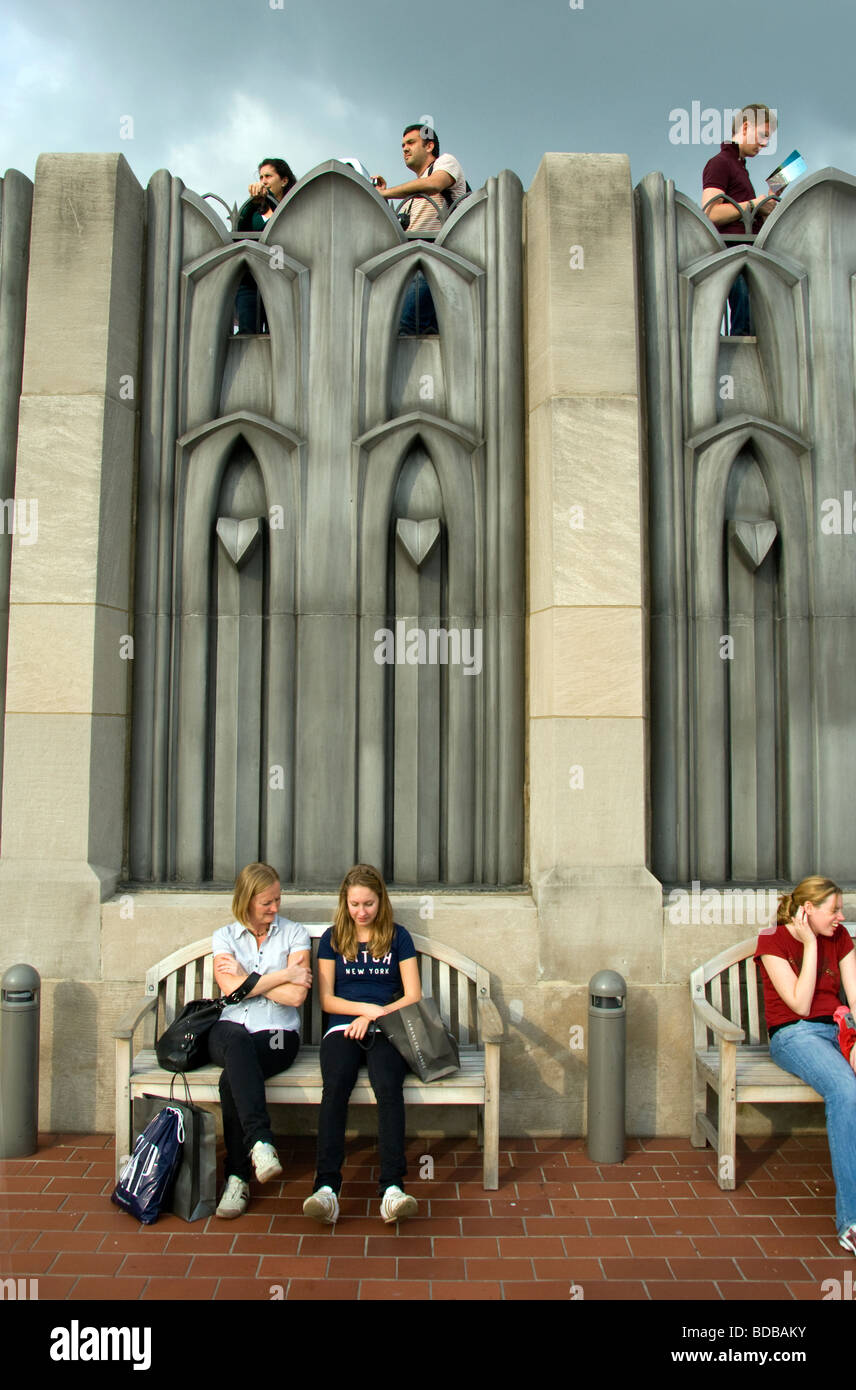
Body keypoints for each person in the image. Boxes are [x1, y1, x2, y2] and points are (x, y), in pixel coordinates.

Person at [303, 864, 422, 1224]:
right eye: (355, 904)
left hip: (387, 1028)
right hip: (342, 1029)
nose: (361, 912)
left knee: (388, 1086)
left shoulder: (398, 937)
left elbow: (413, 995)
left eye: (368, 903)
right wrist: (361, 1011)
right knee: (336, 1085)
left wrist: (374, 1015)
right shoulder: (332, 938)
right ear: (345, 902)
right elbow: (327, 1000)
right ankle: (326, 1189)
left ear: (380, 901)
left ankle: (392, 1189)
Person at [755, 876, 856, 1253]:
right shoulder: (772, 941)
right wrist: (811, 945)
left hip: (838, 1030)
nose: (841, 917)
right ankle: (851, 1221)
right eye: (834, 910)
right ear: (807, 911)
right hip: (796, 1036)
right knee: (845, 1091)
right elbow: (798, 1004)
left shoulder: (841, 937)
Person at [209, 861, 311, 1218]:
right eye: (267, 902)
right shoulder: (223, 937)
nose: (275, 908)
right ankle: (261, 1143)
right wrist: (281, 974)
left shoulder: (295, 934)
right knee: (236, 1042)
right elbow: (230, 993)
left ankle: (237, 1177)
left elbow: (297, 997)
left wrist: (247, 981)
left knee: (229, 1079)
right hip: (227, 1029)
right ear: (247, 900)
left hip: (278, 1035)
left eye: (278, 900)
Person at [373, 124, 468, 335]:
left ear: (429, 145)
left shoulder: (445, 162)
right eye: (402, 145)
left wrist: (387, 193)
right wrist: (384, 197)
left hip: (434, 260)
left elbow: (435, 184)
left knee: (404, 329)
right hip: (411, 267)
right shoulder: (409, 198)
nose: (405, 149)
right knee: (407, 329)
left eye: (411, 143)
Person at [702, 104, 778, 336]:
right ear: (746, 127)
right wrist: (755, 204)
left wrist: (762, 208)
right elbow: (711, 212)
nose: (764, 143)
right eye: (763, 135)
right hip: (733, 255)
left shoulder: (739, 167)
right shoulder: (720, 163)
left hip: (746, 254)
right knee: (742, 330)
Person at [235, 157, 297, 334]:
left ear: (284, 180)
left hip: (281, 279)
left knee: (279, 333)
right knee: (247, 332)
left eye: (268, 176)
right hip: (251, 281)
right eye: (261, 177)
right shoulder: (254, 212)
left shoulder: (293, 208)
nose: (264, 181)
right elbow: (240, 234)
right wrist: (252, 204)